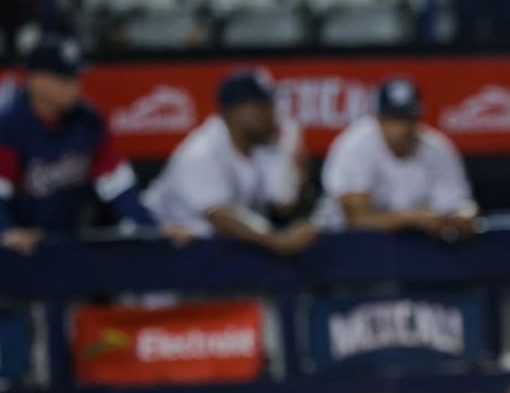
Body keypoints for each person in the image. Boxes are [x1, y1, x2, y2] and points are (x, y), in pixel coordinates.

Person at [0, 33, 162, 254]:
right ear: (37, 80)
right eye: (65, 79)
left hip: (67, 244)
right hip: (18, 251)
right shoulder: (10, 124)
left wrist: (155, 230)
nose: (76, 86)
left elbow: (118, 185)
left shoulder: (87, 120)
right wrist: (6, 231)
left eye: (76, 77)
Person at [145, 68, 317, 255]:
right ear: (232, 111)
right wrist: (277, 240)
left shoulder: (264, 149)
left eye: (271, 105)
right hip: (158, 254)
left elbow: (283, 207)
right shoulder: (202, 151)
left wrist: (299, 182)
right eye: (262, 106)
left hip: (211, 255)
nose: (271, 113)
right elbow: (221, 216)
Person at [318, 76, 478, 239]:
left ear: (418, 118)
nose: (402, 129)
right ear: (378, 119)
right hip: (345, 244)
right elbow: (356, 221)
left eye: (408, 119)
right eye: (393, 119)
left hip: (415, 246)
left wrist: (465, 215)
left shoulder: (437, 149)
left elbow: (459, 205)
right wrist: (411, 218)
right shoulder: (355, 146)